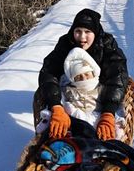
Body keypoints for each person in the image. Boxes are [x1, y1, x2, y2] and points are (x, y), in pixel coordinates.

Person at [38, 8, 128, 140]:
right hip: (71, 96)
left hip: (99, 97)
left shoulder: (107, 45)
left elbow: (117, 76)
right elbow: (48, 72)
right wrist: (56, 105)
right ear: (72, 31)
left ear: (95, 33)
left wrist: (108, 112)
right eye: (78, 31)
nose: (82, 37)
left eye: (87, 32)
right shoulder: (65, 44)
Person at [60, 47, 126, 139]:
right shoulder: (69, 90)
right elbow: (61, 101)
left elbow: (114, 103)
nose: (84, 79)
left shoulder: (101, 89)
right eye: (78, 77)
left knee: (113, 131)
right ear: (73, 79)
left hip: (98, 120)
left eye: (87, 74)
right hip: (78, 122)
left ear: (93, 73)